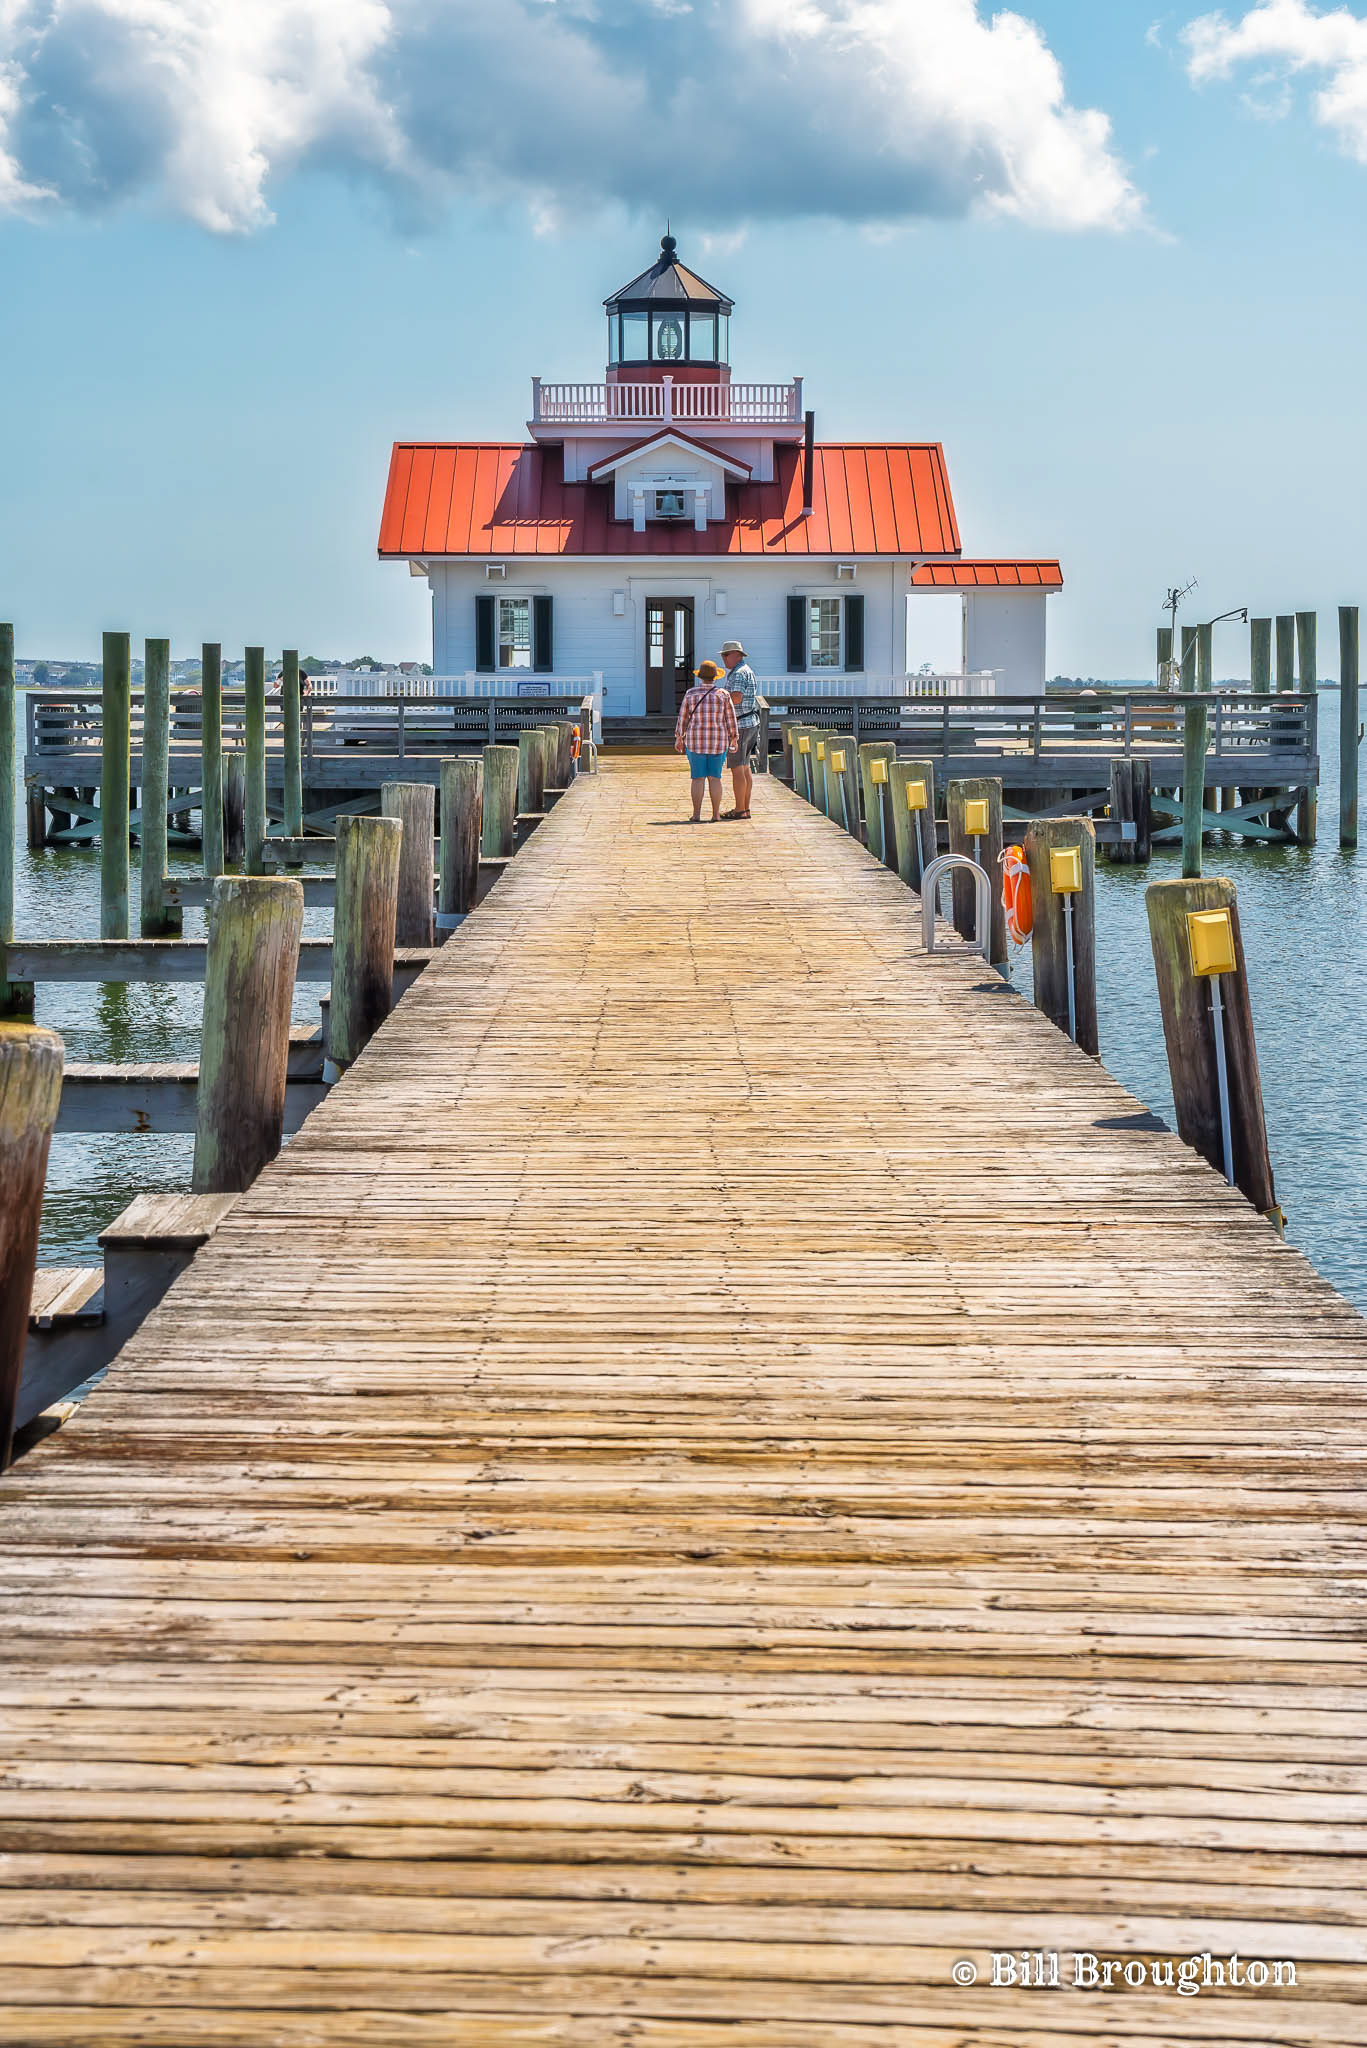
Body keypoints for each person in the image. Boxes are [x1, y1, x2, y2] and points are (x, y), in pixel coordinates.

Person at [674, 659, 739, 822]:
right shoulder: (723, 695)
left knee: (697, 778)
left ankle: (696, 814)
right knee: (715, 778)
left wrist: (679, 737)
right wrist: (734, 738)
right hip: (718, 742)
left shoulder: (691, 694)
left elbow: (683, 718)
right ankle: (716, 814)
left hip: (695, 741)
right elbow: (731, 719)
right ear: (715, 677)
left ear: (700, 677)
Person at [719, 638, 760, 819]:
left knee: (737, 768)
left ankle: (740, 809)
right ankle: (744, 807)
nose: (724, 659)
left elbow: (735, 698)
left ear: (737, 655)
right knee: (744, 767)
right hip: (750, 723)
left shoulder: (738, 674)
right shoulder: (746, 670)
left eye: (726, 655)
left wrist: (720, 697)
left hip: (740, 725)